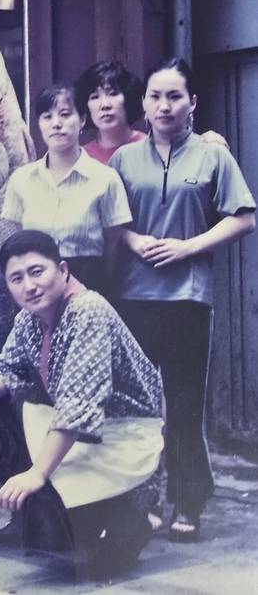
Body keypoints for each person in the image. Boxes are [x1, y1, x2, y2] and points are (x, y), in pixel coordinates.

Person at [109, 57, 256, 543]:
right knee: (140, 408)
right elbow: (113, 219)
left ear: (192, 103)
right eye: (155, 96)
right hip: (133, 297)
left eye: (174, 96)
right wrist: (135, 243)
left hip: (189, 298)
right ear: (144, 104)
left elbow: (243, 217)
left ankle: (188, 500)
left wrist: (189, 248)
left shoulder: (212, 156)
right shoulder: (124, 160)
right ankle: (145, 500)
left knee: (186, 404)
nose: (164, 105)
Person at [0, 230, 163, 578]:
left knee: (104, 566)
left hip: (127, 435)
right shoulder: (29, 318)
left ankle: (136, 514)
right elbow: (8, 368)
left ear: (63, 270)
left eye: (37, 271)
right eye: (17, 278)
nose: (29, 286)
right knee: (0, 401)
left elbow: (77, 407)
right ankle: (40, 516)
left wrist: (36, 474)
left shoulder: (88, 310)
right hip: (88, 435)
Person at [2, 84, 132, 294]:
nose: (56, 124)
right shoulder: (20, 180)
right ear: (39, 124)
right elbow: (19, 237)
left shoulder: (106, 179)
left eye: (65, 114)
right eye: (47, 117)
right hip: (35, 288)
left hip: (89, 283)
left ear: (81, 119)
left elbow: (112, 246)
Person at [75, 59, 228, 165]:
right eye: (94, 97)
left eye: (113, 93)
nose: (104, 105)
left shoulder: (154, 146)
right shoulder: (81, 157)